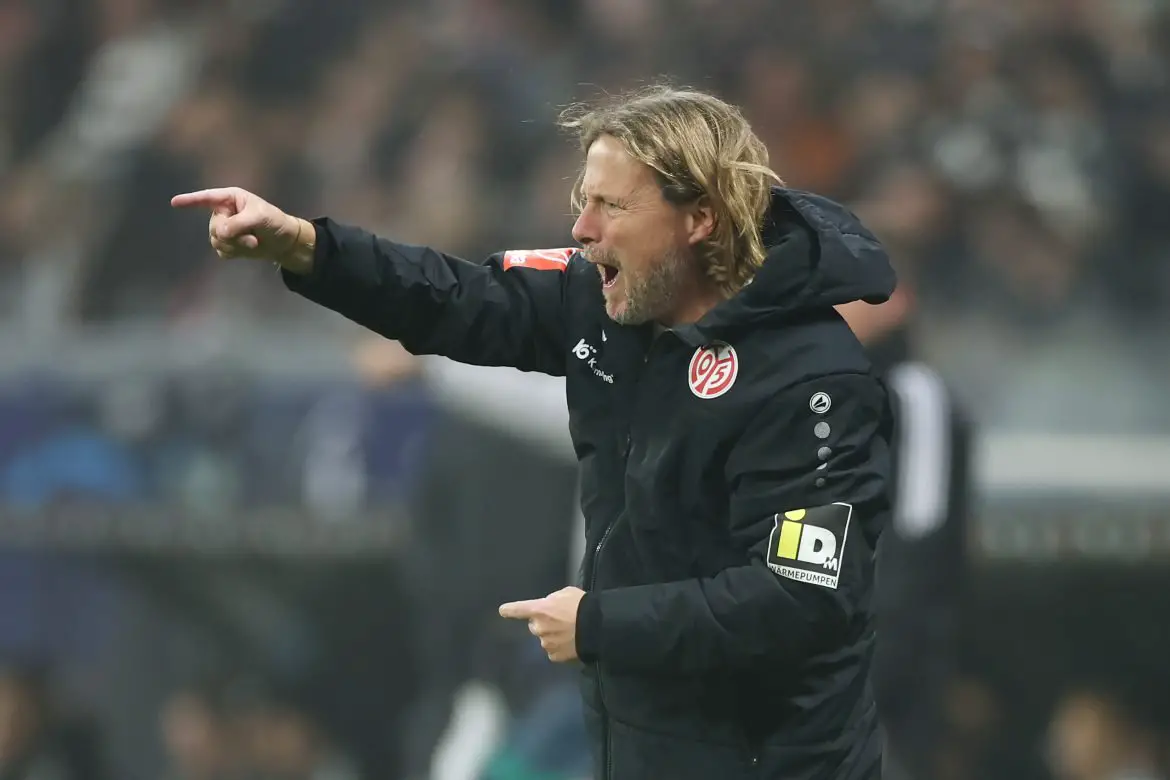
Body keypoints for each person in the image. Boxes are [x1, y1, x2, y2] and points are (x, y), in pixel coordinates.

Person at [172, 85, 896, 780]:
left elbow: (802, 599)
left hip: (780, 762)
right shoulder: (602, 300)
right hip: (646, 746)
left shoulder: (812, 381)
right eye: (584, 202)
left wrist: (601, 624)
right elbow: (455, 296)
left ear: (699, 218)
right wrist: (306, 247)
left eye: (612, 207)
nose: (583, 230)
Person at [838, 287, 973, 780]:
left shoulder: (915, 393)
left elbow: (918, 541)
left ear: (893, 301)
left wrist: (869, 669)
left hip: (887, 681)